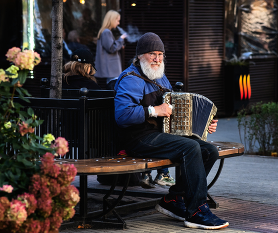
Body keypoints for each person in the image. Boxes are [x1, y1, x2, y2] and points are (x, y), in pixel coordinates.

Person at [114, 32, 229, 230]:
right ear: (140, 55)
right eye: (152, 54)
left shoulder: (160, 77)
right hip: (137, 138)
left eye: (160, 54)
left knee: (208, 150)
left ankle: (174, 200)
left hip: (159, 135)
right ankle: (197, 211)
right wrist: (154, 110)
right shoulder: (130, 79)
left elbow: (174, 112)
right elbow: (122, 115)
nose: (157, 59)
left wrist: (203, 125)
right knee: (191, 148)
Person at [95, 10, 127, 90]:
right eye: (117, 20)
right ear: (112, 19)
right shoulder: (106, 32)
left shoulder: (105, 31)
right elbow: (111, 48)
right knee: (113, 88)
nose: (118, 23)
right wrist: (121, 39)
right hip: (110, 69)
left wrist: (119, 44)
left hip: (109, 69)